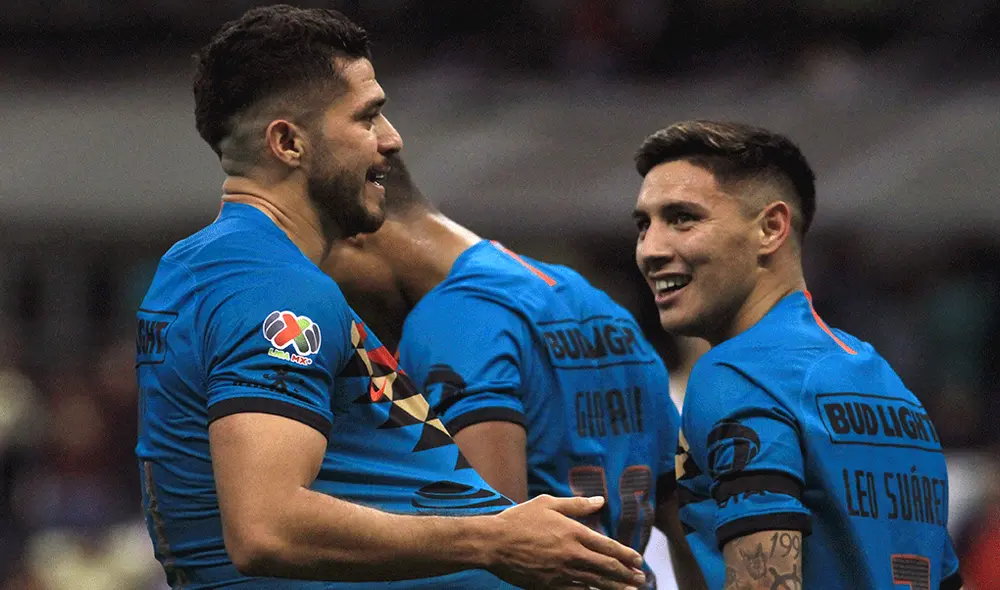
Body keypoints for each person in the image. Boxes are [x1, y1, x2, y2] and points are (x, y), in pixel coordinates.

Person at [135, 5, 647, 589]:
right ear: (288, 142)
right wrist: (494, 539)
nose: (391, 139)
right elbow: (266, 529)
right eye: (367, 117)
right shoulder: (275, 286)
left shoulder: (204, 266)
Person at [321, 154, 705, 590]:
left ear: (356, 233)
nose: (327, 293)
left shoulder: (454, 319)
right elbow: (692, 529)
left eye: (320, 261)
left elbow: (491, 554)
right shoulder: (593, 304)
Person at [630, 120, 964, 590]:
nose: (650, 249)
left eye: (683, 218)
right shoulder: (891, 389)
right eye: (644, 225)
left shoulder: (736, 375)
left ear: (771, 228)